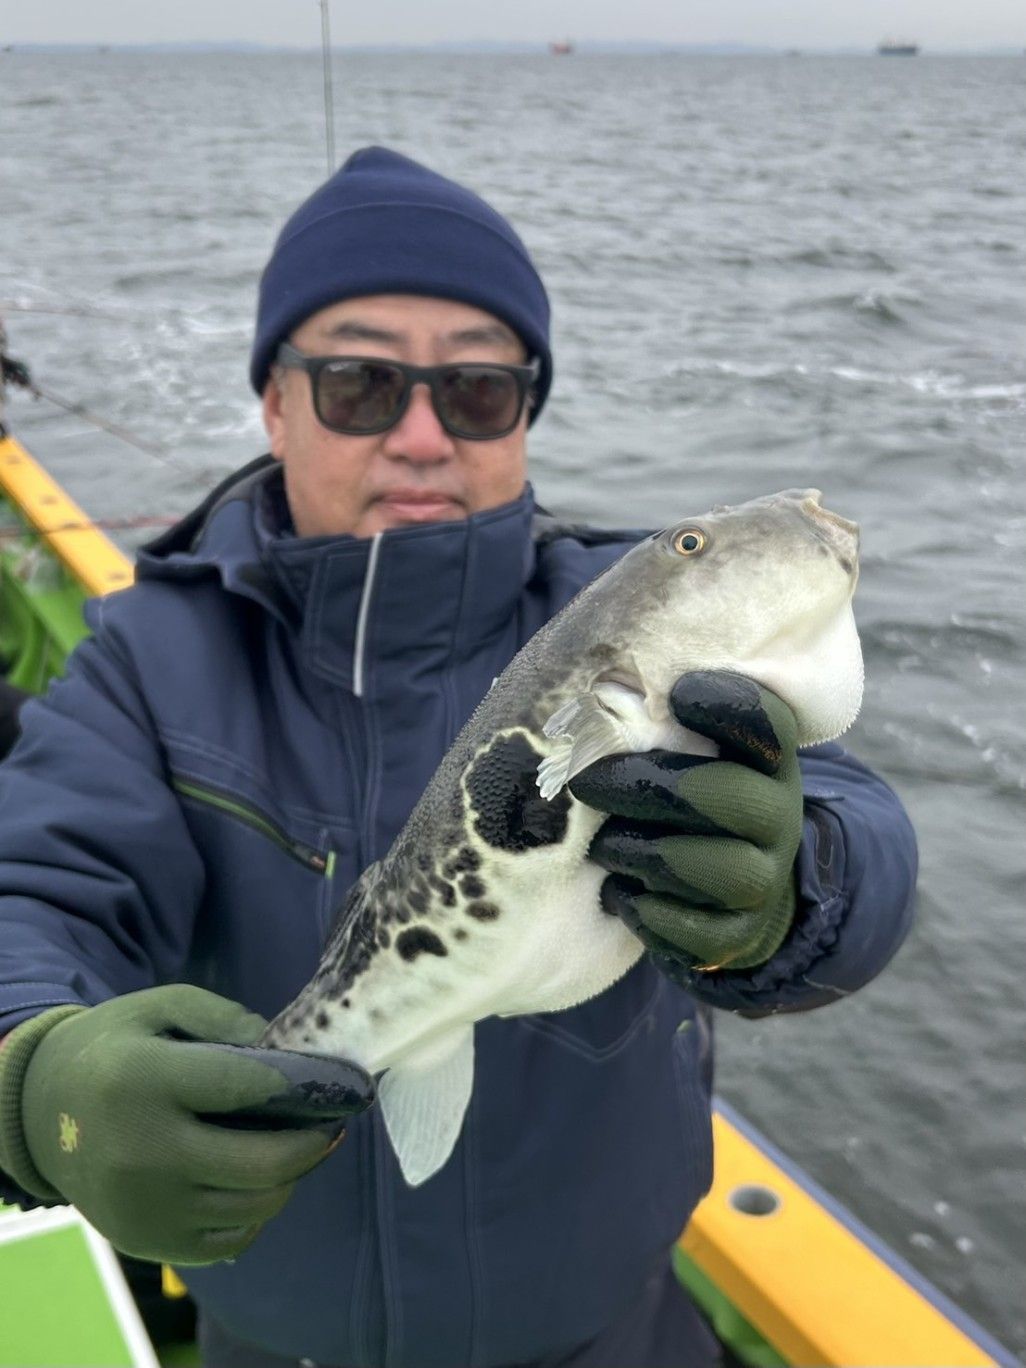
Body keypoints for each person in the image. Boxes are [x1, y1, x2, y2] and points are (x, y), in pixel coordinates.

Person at [0, 147, 917, 1368]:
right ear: (276, 403)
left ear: (524, 413)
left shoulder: (633, 620)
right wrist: (31, 1068)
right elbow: (32, 888)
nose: (423, 437)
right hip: (274, 1337)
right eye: (361, 385)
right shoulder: (151, 658)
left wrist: (794, 883)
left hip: (610, 1334)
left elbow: (859, 827)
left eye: (478, 392)